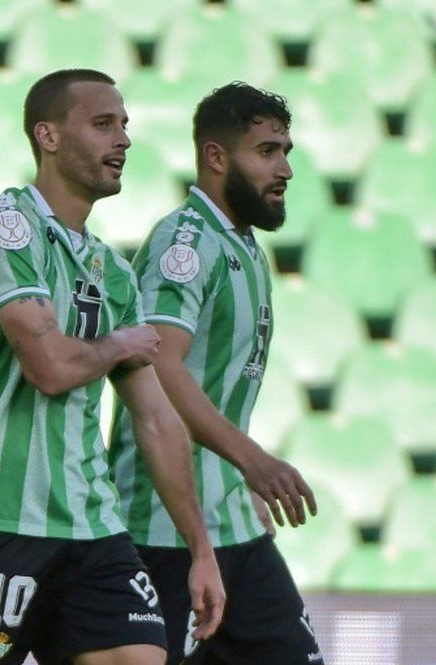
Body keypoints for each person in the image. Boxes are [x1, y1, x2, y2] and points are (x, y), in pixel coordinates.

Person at [0, 69, 225, 665]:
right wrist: (116, 344)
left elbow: (157, 422)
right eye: (103, 124)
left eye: (125, 126)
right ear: (49, 136)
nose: (124, 140)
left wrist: (201, 549)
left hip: (91, 524)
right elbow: (51, 369)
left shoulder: (112, 270)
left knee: (140, 656)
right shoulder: (8, 226)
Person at [108, 82, 325, 664]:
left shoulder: (243, 244)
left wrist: (236, 480)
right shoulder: (186, 244)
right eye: (267, 152)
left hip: (232, 525)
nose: (284, 168)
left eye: (286, 151)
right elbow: (159, 365)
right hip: (162, 528)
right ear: (217, 157)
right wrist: (252, 461)